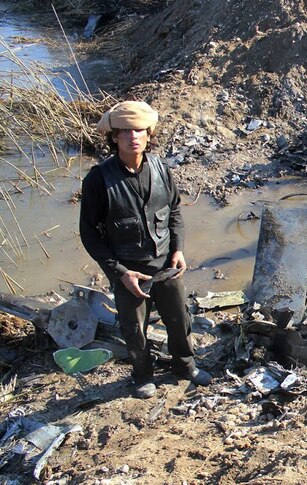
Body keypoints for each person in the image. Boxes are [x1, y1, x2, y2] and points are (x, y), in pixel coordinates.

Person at [79, 100, 211, 399]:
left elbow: (174, 211)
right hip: (130, 271)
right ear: (114, 138)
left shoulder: (161, 169)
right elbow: (89, 234)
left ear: (149, 134)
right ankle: (141, 376)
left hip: (167, 263)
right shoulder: (99, 180)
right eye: (124, 131)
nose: (132, 137)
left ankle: (185, 366)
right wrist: (121, 273)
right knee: (134, 330)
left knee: (180, 320)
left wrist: (178, 249)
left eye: (139, 130)